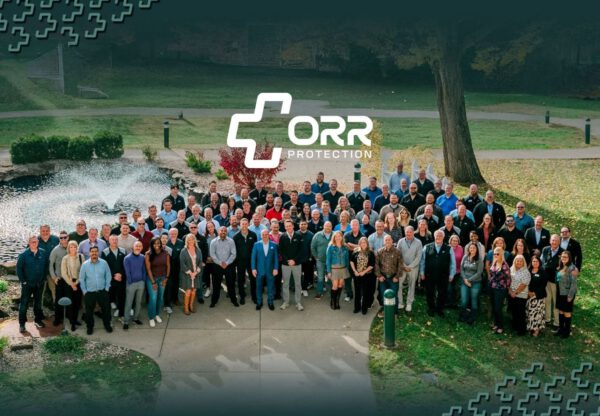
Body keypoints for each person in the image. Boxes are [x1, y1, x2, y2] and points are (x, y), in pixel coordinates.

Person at [419, 230, 456, 317]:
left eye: (440, 236)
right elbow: (422, 261)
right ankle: (431, 308)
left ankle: (440, 309)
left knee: (442, 293)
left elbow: (453, 263)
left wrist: (451, 274)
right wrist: (422, 272)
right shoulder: (427, 247)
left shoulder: (449, 248)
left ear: (443, 237)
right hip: (429, 275)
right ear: (434, 237)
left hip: (443, 275)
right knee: (430, 292)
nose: (438, 237)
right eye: (437, 235)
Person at [17, 235, 48, 332]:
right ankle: (22, 324)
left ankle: (38, 320)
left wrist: (43, 279)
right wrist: (24, 282)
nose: (34, 243)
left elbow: (46, 266)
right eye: (32, 242)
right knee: (24, 304)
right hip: (27, 284)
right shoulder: (23, 255)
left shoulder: (43, 253)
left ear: (38, 243)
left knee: (38, 303)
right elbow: (19, 269)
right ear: (29, 243)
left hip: (39, 284)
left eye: (36, 242)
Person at [79, 246, 113, 335]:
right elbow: (82, 279)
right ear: (89, 253)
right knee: (89, 312)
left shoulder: (104, 263)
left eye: (96, 251)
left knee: (106, 310)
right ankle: (89, 327)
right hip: (90, 292)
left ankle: (107, 325)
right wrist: (84, 291)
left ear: (98, 253)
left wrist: (106, 288)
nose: (94, 253)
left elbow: (108, 275)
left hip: (102, 291)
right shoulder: (85, 265)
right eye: (92, 251)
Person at [375, 235, 405, 317]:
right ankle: (386, 311)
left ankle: (394, 313)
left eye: (389, 240)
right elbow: (376, 265)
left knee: (394, 295)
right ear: (384, 242)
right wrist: (379, 276)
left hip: (393, 277)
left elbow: (400, 265)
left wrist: (397, 276)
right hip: (383, 278)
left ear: (392, 241)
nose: (387, 241)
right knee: (383, 295)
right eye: (386, 240)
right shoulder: (379, 252)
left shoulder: (397, 252)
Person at [279, 220, 305, 311]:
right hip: (285, 264)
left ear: (293, 226)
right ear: (285, 227)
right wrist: (288, 260)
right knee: (285, 284)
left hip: (296, 264)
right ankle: (286, 302)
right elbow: (281, 250)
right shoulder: (282, 236)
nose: (288, 227)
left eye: (290, 226)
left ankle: (298, 302)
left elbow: (301, 250)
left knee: (298, 284)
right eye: (287, 226)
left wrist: (294, 260)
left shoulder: (299, 236)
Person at [251, 229, 279, 311]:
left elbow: (276, 258)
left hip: (270, 270)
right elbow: (253, 258)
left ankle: (270, 302)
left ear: (268, 235)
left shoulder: (274, 245)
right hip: (259, 270)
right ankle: (259, 302)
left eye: (266, 234)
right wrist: (253, 269)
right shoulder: (256, 244)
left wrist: (276, 268)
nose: (264, 236)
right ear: (261, 236)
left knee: (271, 287)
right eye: (263, 234)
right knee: (258, 287)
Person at [59, 240, 84, 331]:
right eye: (71, 247)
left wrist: (76, 282)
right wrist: (71, 284)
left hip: (78, 282)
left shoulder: (81, 257)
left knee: (77, 303)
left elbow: (83, 271)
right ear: (68, 248)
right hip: (68, 283)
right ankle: (72, 322)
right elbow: (63, 273)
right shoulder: (65, 258)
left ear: (77, 247)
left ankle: (75, 319)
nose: (73, 249)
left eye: (74, 247)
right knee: (70, 303)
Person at [209, 226, 237, 307]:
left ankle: (233, 300)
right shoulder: (213, 241)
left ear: (226, 232)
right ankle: (214, 301)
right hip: (217, 266)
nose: (223, 232)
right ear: (218, 232)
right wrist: (220, 263)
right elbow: (212, 254)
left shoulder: (231, 241)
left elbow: (233, 254)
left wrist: (227, 263)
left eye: (225, 231)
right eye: (221, 230)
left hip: (229, 266)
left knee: (231, 284)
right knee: (216, 285)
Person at [145, 237, 170, 327]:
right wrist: (153, 282)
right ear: (152, 244)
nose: (157, 245)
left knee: (160, 298)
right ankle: (151, 317)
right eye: (154, 243)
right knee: (153, 298)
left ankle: (156, 314)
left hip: (162, 278)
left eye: (158, 243)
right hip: (152, 279)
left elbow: (168, 266)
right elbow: (148, 269)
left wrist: (166, 278)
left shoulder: (165, 253)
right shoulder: (148, 254)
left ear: (161, 244)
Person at [397, 226, 423, 313]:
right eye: (407, 232)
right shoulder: (400, 241)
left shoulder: (418, 242)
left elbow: (418, 257)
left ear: (413, 232)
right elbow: (398, 255)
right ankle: (400, 302)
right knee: (399, 284)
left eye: (410, 232)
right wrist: (404, 266)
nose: (408, 233)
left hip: (413, 268)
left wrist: (410, 267)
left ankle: (409, 303)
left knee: (412, 285)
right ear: (405, 232)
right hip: (402, 267)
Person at [122, 241, 147, 330]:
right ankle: (126, 321)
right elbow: (127, 272)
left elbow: (144, 269)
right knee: (129, 303)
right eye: (136, 246)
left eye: (140, 246)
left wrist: (143, 280)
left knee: (138, 302)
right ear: (133, 247)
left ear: (142, 248)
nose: (138, 247)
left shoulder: (143, 257)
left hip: (141, 283)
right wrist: (130, 281)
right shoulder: (127, 258)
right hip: (131, 284)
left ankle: (135, 318)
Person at [233, 218, 258, 305]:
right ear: (240, 225)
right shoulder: (236, 236)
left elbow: (255, 248)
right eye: (242, 224)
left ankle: (254, 296)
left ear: (248, 224)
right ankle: (242, 296)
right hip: (240, 262)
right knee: (241, 279)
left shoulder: (253, 235)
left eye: (246, 224)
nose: (244, 225)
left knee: (253, 279)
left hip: (251, 261)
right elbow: (234, 250)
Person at [102, 235, 127, 319]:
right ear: (109, 241)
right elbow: (104, 267)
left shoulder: (123, 251)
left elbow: (125, 265)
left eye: (116, 239)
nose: (114, 241)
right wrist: (113, 275)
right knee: (109, 298)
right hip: (110, 279)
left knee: (121, 297)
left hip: (121, 279)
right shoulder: (105, 252)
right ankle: (108, 318)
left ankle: (121, 314)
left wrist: (121, 274)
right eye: (112, 240)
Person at [541, 234, 563, 328]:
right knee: (547, 300)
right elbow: (542, 261)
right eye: (552, 240)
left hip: (556, 281)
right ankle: (547, 319)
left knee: (556, 302)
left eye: (556, 240)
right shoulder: (545, 249)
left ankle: (557, 322)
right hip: (546, 280)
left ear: (559, 242)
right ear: (550, 241)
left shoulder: (563, 252)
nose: (554, 242)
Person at [350, 237, 376, 315]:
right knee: (357, 292)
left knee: (365, 292)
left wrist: (364, 272)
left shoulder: (370, 252)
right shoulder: (355, 251)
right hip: (357, 275)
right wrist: (355, 271)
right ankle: (357, 308)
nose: (363, 244)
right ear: (359, 243)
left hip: (366, 276)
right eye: (361, 242)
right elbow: (351, 261)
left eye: (364, 242)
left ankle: (364, 308)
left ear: (367, 243)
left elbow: (372, 265)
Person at [555, 251, 578, 339]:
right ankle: (560, 329)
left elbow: (574, 284)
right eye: (562, 257)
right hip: (560, 292)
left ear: (569, 258)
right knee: (561, 311)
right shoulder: (561, 266)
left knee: (567, 312)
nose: (563, 258)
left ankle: (567, 331)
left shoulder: (572, 268)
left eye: (565, 257)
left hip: (567, 293)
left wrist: (570, 296)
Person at [459, 242, 483, 325]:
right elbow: (461, 269)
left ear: (477, 250)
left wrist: (469, 280)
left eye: (474, 248)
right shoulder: (465, 257)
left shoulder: (479, 259)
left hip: (476, 282)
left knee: (474, 301)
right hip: (464, 281)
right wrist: (465, 280)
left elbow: (479, 272)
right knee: (464, 300)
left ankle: (473, 318)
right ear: (468, 249)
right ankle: (463, 316)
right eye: (471, 248)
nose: (472, 249)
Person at [488, 247, 510, 334]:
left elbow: (508, 279)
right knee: (494, 307)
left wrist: (506, 289)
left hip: (500, 290)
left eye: (498, 254)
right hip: (492, 288)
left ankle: (501, 326)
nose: (496, 255)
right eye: (494, 254)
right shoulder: (494, 262)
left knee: (498, 308)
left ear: (501, 254)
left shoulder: (504, 265)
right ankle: (496, 324)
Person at [49, 231, 68, 327]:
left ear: (68, 237)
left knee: (69, 297)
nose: (63, 239)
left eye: (65, 237)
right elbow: (50, 265)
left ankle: (68, 317)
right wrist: (54, 277)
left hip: (69, 278)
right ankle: (57, 318)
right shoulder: (55, 250)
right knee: (58, 299)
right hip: (60, 278)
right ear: (59, 239)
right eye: (61, 238)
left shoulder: (71, 248)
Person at [179, 234, 203, 315]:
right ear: (187, 241)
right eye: (189, 239)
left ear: (194, 240)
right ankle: (186, 307)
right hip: (187, 274)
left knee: (194, 290)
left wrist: (196, 272)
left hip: (196, 274)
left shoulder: (198, 250)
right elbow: (182, 264)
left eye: (192, 239)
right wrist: (190, 273)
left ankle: (191, 305)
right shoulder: (183, 251)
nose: (191, 241)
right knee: (188, 291)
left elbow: (200, 262)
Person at [326, 231, 350, 310]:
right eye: (336, 236)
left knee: (340, 285)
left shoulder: (345, 247)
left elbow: (347, 259)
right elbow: (328, 260)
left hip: (343, 268)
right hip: (334, 269)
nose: (338, 238)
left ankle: (337, 302)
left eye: (339, 236)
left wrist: (347, 268)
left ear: (342, 237)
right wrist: (329, 271)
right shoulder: (330, 247)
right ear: (334, 237)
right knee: (335, 286)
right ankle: (333, 302)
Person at [508, 254, 531, 336]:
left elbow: (523, 284)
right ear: (514, 261)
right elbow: (508, 281)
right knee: (514, 311)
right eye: (517, 261)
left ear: (523, 262)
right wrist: (510, 291)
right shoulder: (511, 269)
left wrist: (515, 293)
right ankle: (515, 326)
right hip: (511, 294)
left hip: (521, 295)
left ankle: (521, 330)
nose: (519, 262)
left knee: (520, 312)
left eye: (521, 261)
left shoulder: (525, 271)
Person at [311, 221, 333, 300]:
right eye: (326, 226)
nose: (328, 227)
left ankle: (332, 293)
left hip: (331, 261)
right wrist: (316, 256)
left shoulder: (334, 235)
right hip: (320, 260)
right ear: (323, 226)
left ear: (331, 227)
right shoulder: (317, 235)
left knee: (330, 277)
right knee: (320, 277)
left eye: (329, 226)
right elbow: (312, 247)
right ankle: (319, 292)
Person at [38, 224, 59, 306]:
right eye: (43, 231)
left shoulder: (56, 240)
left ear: (50, 231)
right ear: (40, 231)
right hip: (40, 270)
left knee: (55, 290)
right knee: (39, 291)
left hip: (52, 270)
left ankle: (57, 307)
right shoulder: (36, 240)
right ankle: (39, 308)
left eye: (47, 231)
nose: (45, 233)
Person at [165, 228, 184, 313]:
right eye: (171, 233)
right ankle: (168, 301)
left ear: (177, 234)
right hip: (168, 267)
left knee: (176, 284)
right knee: (169, 285)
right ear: (169, 234)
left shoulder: (181, 242)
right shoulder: (166, 243)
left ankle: (176, 299)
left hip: (177, 267)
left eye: (175, 233)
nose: (173, 235)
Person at [526, 256, 546, 337]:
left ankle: (537, 329)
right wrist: (528, 292)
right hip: (529, 295)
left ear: (539, 262)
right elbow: (525, 282)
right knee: (530, 313)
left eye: (537, 261)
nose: (535, 263)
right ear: (531, 262)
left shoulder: (542, 271)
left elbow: (543, 285)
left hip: (538, 296)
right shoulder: (528, 271)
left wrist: (534, 293)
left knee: (537, 313)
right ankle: (531, 327)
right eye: (533, 261)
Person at [298, 220, 314, 297]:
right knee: (298, 275)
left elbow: (312, 247)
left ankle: (304, 289)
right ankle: (299, 288)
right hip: (298, 259)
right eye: (302, 224)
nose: (303, 225)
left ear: (307, 225)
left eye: (305, 224)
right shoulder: (296, 234)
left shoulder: (311, 234)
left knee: (307, 274)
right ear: (299, 225)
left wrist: (311, 257)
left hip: (308, 259)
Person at [447, 235, 464, 308]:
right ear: (450, 241)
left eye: (456, 241)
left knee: (457, 288)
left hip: (458, 271)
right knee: (449, 288)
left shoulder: (460, 248)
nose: (455, 242)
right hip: (449, 272)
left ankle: (455, 303)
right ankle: (448, 303)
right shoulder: (447, 248)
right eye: (453, 241)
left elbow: (462, 260)